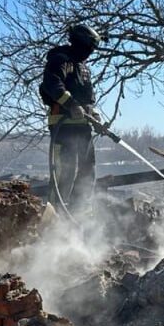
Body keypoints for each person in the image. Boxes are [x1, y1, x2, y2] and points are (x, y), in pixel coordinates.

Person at [39, 24, 103, 211]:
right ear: (80, 44)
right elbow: (52, 84)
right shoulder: (60, 60)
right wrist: (71, 104)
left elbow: (86, 98)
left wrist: (94, 114)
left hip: (83, 128)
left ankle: (78, 214)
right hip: (63, 127)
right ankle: (54, 215)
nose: (90, 53)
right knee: (64, 172)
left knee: (88, 171)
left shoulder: (82, 67)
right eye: (89, 48)